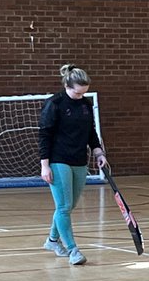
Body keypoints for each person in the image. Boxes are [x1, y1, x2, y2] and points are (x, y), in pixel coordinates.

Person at [38, 64, 106, 265]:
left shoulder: (85, 104)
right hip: (58, 159)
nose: (80, 96)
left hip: (79, 159)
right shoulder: (54, 104)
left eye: (83, 93)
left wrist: (98, 151)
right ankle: (73, 250)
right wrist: (45, 165)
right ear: (67, 86)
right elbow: (44, 135)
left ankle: (52, 240)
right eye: (77, 92)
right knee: (64, 206)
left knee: (69, 206)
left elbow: (90, 131)